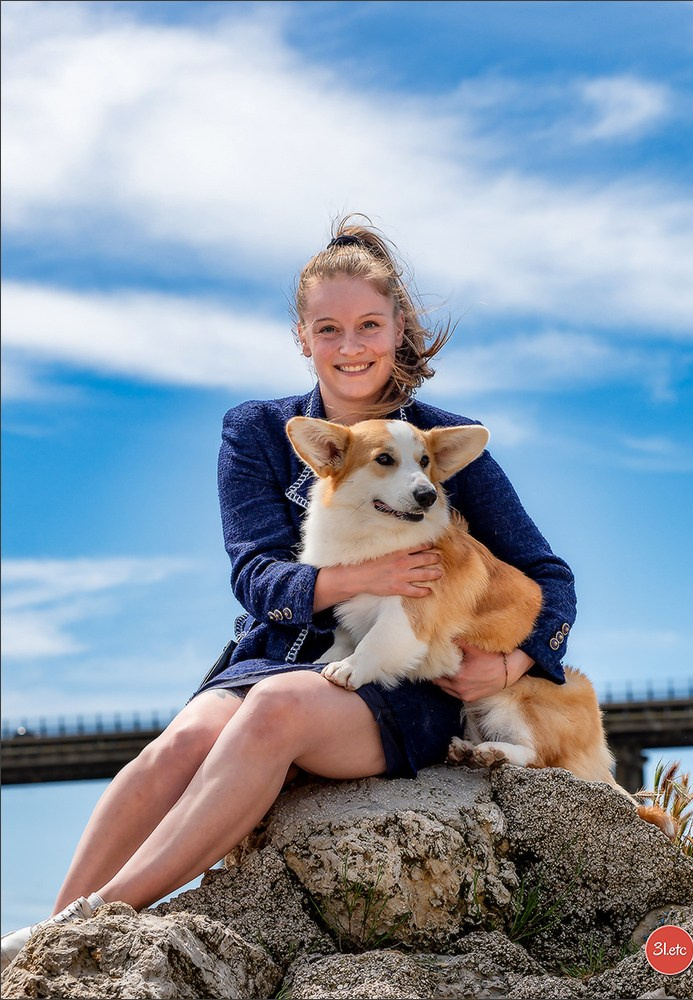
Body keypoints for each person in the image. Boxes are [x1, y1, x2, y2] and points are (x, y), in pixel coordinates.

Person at [1, 217, 576, 970]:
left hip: (399, 674)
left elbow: (550, 577)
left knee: (275, 713)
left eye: (369, 324)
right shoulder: (258, 431)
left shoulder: (439, 441)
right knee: (182, 742)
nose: (351, 346)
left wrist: (512, 667)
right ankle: (42, 945)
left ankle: (97, 919)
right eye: (329, 327)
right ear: (303, 336)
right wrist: (359, 577)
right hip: (274, 651)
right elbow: (254, 571)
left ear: (399, 329)